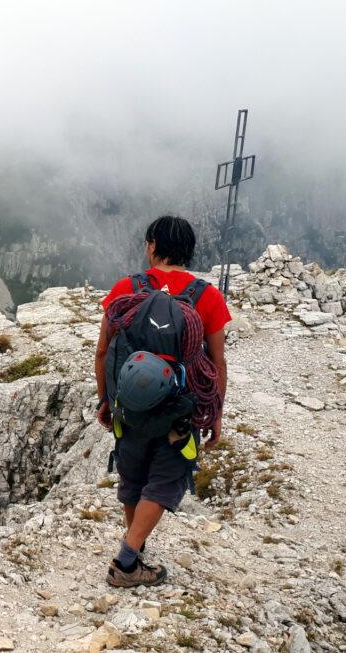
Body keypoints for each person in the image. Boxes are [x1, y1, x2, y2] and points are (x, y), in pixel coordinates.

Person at [94, 215, 230, 587]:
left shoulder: (126, 288)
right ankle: (126, 561)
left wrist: (106, 399)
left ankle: (133, 549)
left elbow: (105, 351)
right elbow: (217, 361)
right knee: (167, 477)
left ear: (152, 246)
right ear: (188, 251)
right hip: (179, 410)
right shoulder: (207, 296)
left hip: (130, 405)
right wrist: (215, 411)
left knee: (133, 475)